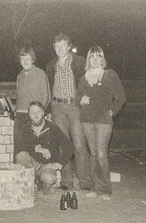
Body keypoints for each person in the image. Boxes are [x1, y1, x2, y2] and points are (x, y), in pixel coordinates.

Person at [76, 46, 126, 200]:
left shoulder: (110, 75)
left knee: (101, 153)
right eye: (92, 56)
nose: (95, 59)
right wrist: (81, 100)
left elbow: (121, 97)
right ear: (88, 60)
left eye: (98, 56)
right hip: (87, 120)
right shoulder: (84, 78)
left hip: (104, 120)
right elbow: (77, 99)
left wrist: (111, 112)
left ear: (102, 59)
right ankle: (93, 188)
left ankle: (105, 190)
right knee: (93, 154)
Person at [46, 33, 91, 191]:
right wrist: (49, 110)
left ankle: (84, 182)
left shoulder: (79, 62)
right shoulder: (51, 65)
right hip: (57, 107)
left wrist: (86, 98)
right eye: (57, 46)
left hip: (74, 107)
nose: (60, 49)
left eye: (63, 45)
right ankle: (66, 181)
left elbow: (88, 82)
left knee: (79, 145)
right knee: (63, 146)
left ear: (69, 46)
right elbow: (48, 88)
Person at [16, 101, 73, 194]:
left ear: (43, 113)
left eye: (38, 112)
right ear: (29, 115)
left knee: (49, 179)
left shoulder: (52, 128)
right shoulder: (25, 128)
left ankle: (44, 182)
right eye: (32, 112)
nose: (36, 115)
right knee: (21, 156)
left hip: (47, 165)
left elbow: (69, 147)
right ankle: (32, 181)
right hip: (33, 165)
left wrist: (59, 164)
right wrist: (36, 148)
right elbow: (20, 146)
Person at [14, 46, 51, 160]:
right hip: (20, 115)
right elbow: (19, 96)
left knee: (35, 145)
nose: (25, 61)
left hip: (34, 115)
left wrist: (38, 114)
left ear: (33, 59)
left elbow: (46, 96)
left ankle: (37, 173)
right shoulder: (19, 76)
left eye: (28, 58)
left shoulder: (40, 73)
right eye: (22, 59)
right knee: (19, 144)